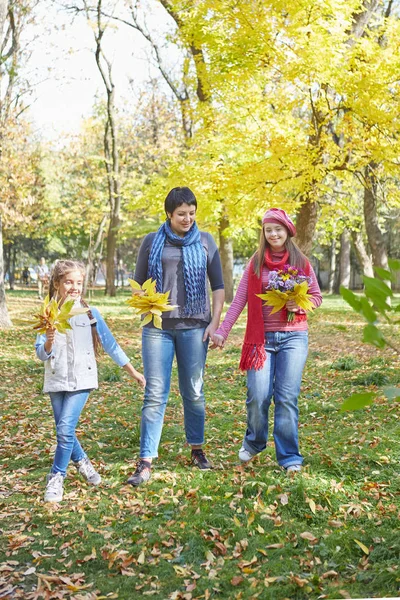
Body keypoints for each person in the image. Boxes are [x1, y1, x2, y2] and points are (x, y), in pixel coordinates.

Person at [127, 187, 225, 487]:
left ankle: (197, 449)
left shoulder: (207, 241)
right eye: (182, 214)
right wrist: (145, 298)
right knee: (155, 393)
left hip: (196, 327)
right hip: (158, 328)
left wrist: (215, 323)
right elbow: (137, 282)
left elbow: (219, 287)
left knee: (193, 391)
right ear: (169, 214)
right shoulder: (151, 241)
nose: (188, 219)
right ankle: (145, 461)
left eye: (192, 213)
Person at [212, 208, 322, 474]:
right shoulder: (255, 262)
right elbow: (240, 300)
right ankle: (255, 441)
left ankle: (289, 456)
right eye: (268, 230)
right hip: (261, 340)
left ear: (288, 231)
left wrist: (301, 304)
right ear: (263, 233)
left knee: (286, 397)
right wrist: (222, 331)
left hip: (294, 337)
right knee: (258, 395)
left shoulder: (301, 261)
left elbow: (317, 296)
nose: (273, 234)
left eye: (278, 229)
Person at [35, 259, 145, 502]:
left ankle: (56, 477)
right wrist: (49, 341)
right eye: (69, 282)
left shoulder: (90, 314)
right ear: (57, 283)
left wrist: (133, 371)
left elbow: (111, 345)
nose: (74, 287)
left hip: (83, 380)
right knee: (64, 430)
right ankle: (83, 462)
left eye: (79, 282)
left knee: (64, 429)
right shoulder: (47, 314)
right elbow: (40, 352)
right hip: (56, 379)